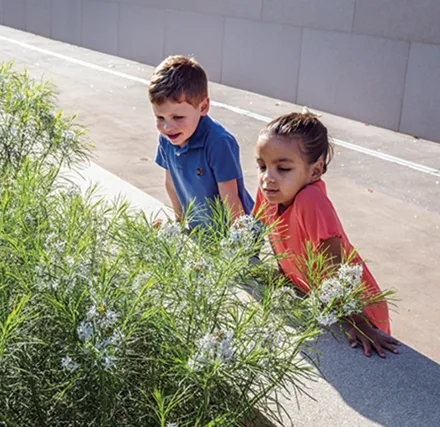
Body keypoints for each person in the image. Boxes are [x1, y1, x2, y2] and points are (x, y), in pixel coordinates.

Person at [254, 112, 399, 358]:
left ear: (315, 171)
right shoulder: (270, 193)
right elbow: (258, 235)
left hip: (357, 310)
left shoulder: (311, 200)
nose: (268, 177)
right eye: (262, 166)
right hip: (323, 301)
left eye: (283, 168)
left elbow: (334, 267)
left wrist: (356, 321)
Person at [150, 55, 253, 229]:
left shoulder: (218, 143)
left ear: (203, 107)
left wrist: (239, 243)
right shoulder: (167, 140)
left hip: (231, 231)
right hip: (200, 229)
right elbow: (171, 184)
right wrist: (179, 222)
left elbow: (230, 197)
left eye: (178, 117)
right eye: (160, 117)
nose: (168, 127)